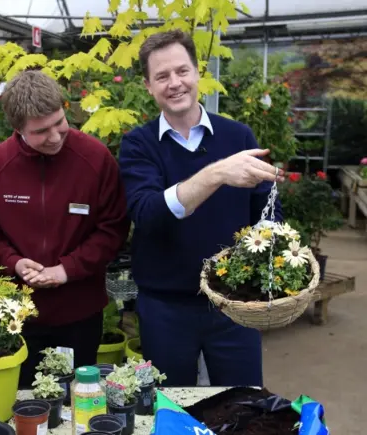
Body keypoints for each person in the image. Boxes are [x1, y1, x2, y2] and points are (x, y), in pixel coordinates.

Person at [118, 30, 284, 387]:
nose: (174, 83)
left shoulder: (238, 137)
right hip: (165, 307)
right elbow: (147, 213)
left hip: (234, 305)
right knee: (169, 407)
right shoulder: (138, 145)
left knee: (244, 402)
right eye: (162, 76)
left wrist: (270, 268)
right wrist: (218, 173)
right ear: (148, 85)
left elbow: (269, 215)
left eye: (182, 71)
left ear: (198, 73)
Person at [0, 70, 130, 387]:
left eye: (60, 122)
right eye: (41, 131)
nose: (56, 136)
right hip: (16, 315)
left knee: (76, 396)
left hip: (79, 312)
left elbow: (113, 228)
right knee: (23, 399)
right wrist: (13, 262)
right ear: (18, 129)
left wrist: (66, 269)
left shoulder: (95, 159)